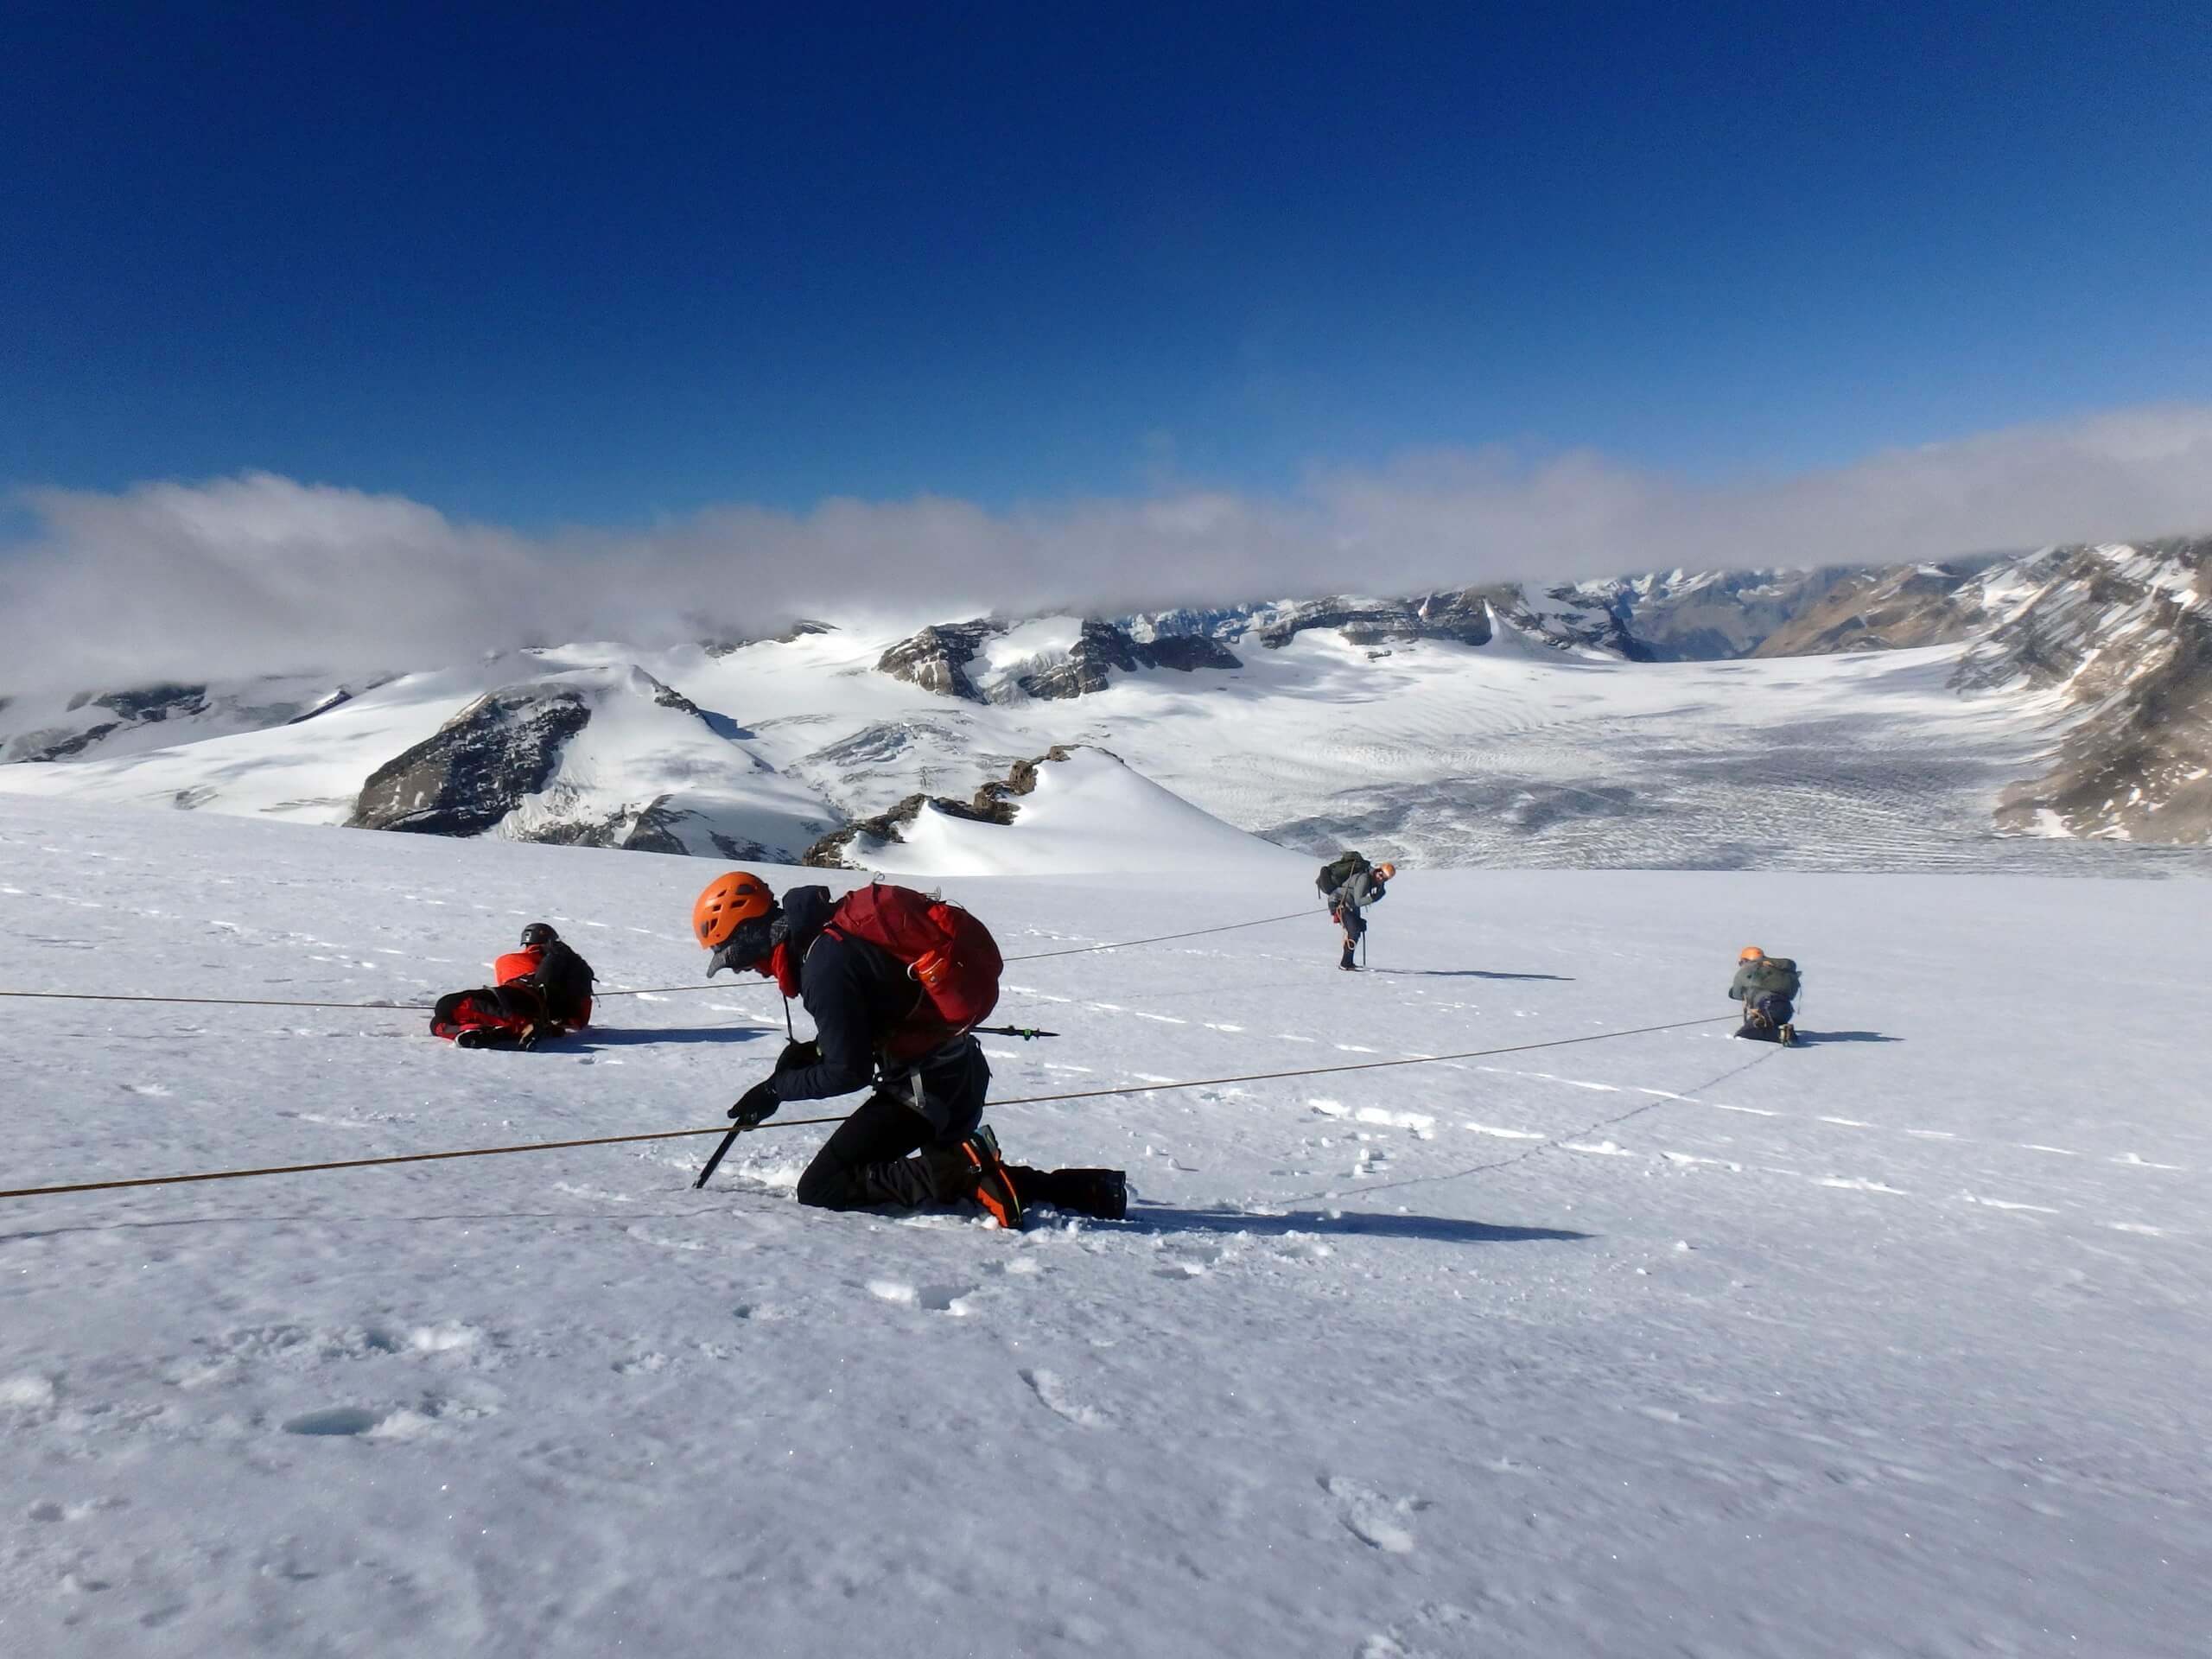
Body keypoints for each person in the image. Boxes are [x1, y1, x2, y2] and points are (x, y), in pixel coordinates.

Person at [693, 871, 1126, 1228]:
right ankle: (1090, 1192)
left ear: (751, 936)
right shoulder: (827, 937)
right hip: (959, 1074)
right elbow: (872, 1016)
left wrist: (780, 1089)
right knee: (968, 1177)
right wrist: (800, 1064)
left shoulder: (823, 965)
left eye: (735, 957)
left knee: (822, 1188)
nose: (744, 969)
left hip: (925, 1090)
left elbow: (850, 1070)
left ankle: (961, 1166)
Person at [429, 921, 597, 1049]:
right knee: (444, 1015)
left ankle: (522, 1026)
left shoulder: (507, 960)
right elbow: (580, 1017)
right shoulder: (566, 963)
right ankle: (485, 1031)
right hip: (525, 1001)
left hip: (519, 998)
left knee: (445, 1011)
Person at [1319, 855, 1395, 970]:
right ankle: (1345, 964)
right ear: (1378, 871)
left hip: (1348, 903)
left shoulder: (1373, 880)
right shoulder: (1364, 879)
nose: (1381, 878)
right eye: (1381, 875)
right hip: (1339, 901)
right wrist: (1375, 898)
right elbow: (1359, 901)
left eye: (1385, 878)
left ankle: (1348, 963)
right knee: (1353, 930)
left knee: (1356, 929)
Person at [1729, 946, 1799, 1044]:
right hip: (1785, 1009)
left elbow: (1736, 993)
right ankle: (1783, 1034)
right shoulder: (1773, 970)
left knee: (1746, 1033)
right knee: (1764, 1028)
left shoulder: (1747, 969)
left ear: (1744, 960)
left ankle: (1783, 1035)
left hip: (1768, 1006)